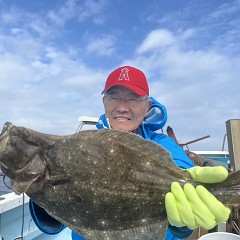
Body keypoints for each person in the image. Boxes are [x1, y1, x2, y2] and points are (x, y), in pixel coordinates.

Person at [30, 66, 230, 240]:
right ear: (104, 102)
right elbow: (54, 223)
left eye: (133, 99)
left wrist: (182, 222)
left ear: (147, 106)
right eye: (114, 97)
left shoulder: (162, 143)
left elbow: (181, 169)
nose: (122, 107)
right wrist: (41, 192)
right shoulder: (81, 146)